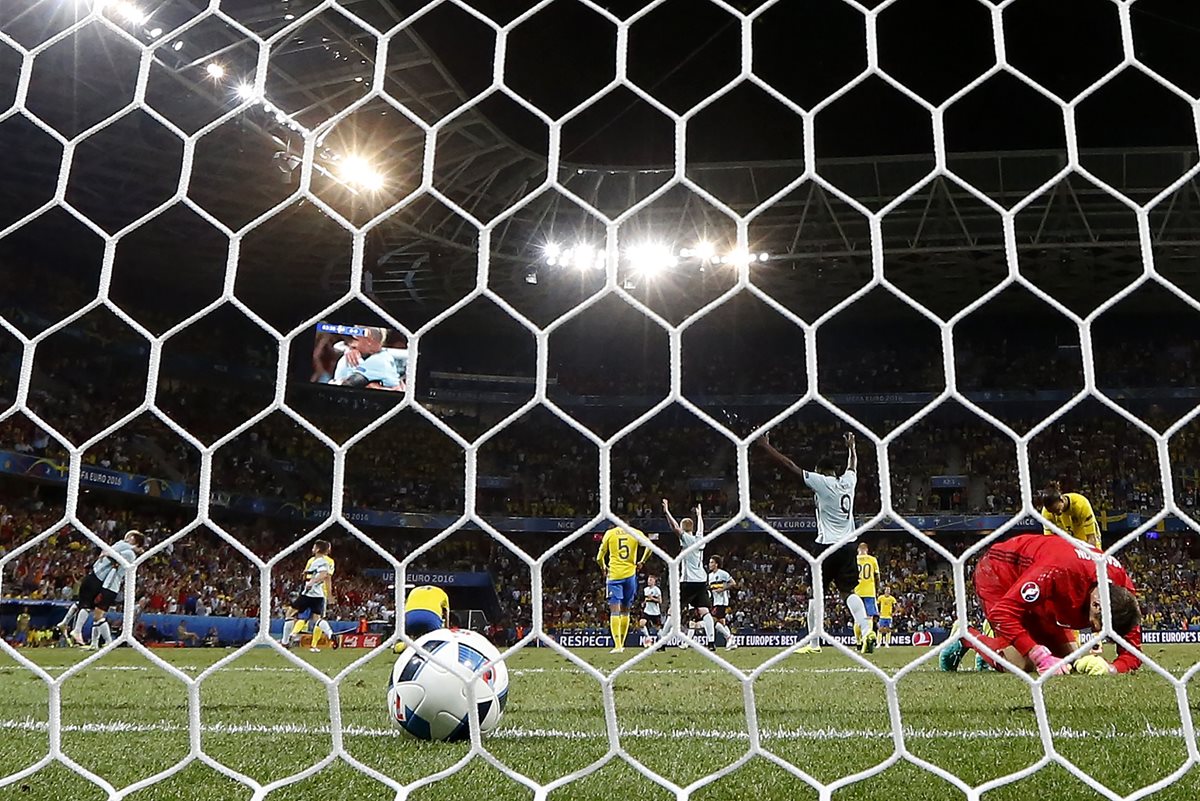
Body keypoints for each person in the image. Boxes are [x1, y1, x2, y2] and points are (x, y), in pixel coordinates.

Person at [939, 533, 1142, 675]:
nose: (1095, 631)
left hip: (1043, 593)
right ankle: (965, 635)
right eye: (1099, 626)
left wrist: (1112, 669)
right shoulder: (1059, 570)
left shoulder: (1124, 593)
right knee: (1021, 663)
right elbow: (1003, 613)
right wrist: (1038, 654)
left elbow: (1133, 653)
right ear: (1097, 605)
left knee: (1070, 663)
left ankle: (995, 649)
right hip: (1001, 573)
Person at [757, 431, 861, 653]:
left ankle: (813, 644)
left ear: (821, 471)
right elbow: (852, 465)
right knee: (848, 592)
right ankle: (867, 629)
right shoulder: (848, 482)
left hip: (826, 546)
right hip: (849, 545)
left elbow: (790, 465)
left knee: (816, 594)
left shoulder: (821, 482)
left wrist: (766, 446)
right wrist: (851, 447)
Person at [68, 530, 145, 650]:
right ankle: (94, 643)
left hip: (110, 586)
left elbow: (116, 556)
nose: (126, 537)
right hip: (106, 584)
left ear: (134, 540)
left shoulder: (129, 553)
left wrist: (107, 553)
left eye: (130, 536)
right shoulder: (128, 550)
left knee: (98, 615)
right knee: (96, 614)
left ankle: (109, 641)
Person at [662, 499, 709, 649]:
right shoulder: (700, 539)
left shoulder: (687, 539)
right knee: (704, 611)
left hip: (688, 581)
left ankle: (661, 641)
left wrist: (667, 512)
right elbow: (701, 529)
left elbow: (674, 527)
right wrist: (700, 515)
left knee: (673, 610)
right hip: (702, 580)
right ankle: (712, 642)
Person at [597, 523, 649, 654]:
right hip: (630, 575)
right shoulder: (635, 532)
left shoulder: (610, 533)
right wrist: (642, 561)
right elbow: (650, 547)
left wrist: (603, 567)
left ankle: (618, 645)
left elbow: (599, 557)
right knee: (626, 609)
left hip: (614, 576)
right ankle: (623, 643)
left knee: (615, 610)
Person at [281, 540, 335, 653]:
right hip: (319, 595)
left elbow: (324, 575)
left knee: (290, 613)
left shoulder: (321, 561)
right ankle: (330, 634)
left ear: (318, 549)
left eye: (314, 547)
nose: (313, 548)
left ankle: (285, 641)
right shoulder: (315, 560)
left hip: (309, 594)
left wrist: (312, 582)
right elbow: (315, 575)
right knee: (317, 619)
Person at [392, 584, 451, 654]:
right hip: (431, 617)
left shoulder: (414, 590)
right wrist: (447, 631)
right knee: (435, 641)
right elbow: (446, 613)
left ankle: (400, 647)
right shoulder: (442, 593)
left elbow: (404, 606)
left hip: (409, 616)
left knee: (405, 638)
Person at [1041, 482, 1101, 548]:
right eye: (1052, 512)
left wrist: (1091, 555)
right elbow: (1049, 541)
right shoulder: (1046, 513)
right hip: (1069, 543)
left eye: (1057, 510)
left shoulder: (1081, 505)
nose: (1055, 514)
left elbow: (1091, 538)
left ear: (1061, 499)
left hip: (1086, 540)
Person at [706, 556, 738, 651]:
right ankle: (732, 643)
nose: (709, 564)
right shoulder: (709, 576)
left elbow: (733, 583)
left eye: (711, 562)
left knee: (713, 621)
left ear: (716, 564)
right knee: (721, 623)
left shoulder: (723, 573)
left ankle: (729, 637)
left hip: (722, 601)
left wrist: (723, 589)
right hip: (715, 601)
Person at [853, 542, 879, 653]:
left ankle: (858, 642)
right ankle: (867, 639)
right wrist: (876, 589)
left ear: (858, 550)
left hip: (857, 591)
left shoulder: (854, 560)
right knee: (869, 617)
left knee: (857, 618)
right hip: (869, 591)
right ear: (867, 549)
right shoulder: (872, 560)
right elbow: (877, 576)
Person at [639, 574, 663, 647]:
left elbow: (660, 601)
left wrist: (652, 598)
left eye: (650, 580)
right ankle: (648, 638)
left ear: (654, 581)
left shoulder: (657, 590)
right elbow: (645, 599)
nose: (649, 581)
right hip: (647, 611)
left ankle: (662, 643)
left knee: (658, 629)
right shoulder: (645, 589)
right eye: (648, 580)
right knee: (641, 623)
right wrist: (644, 603)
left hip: (655, 612)